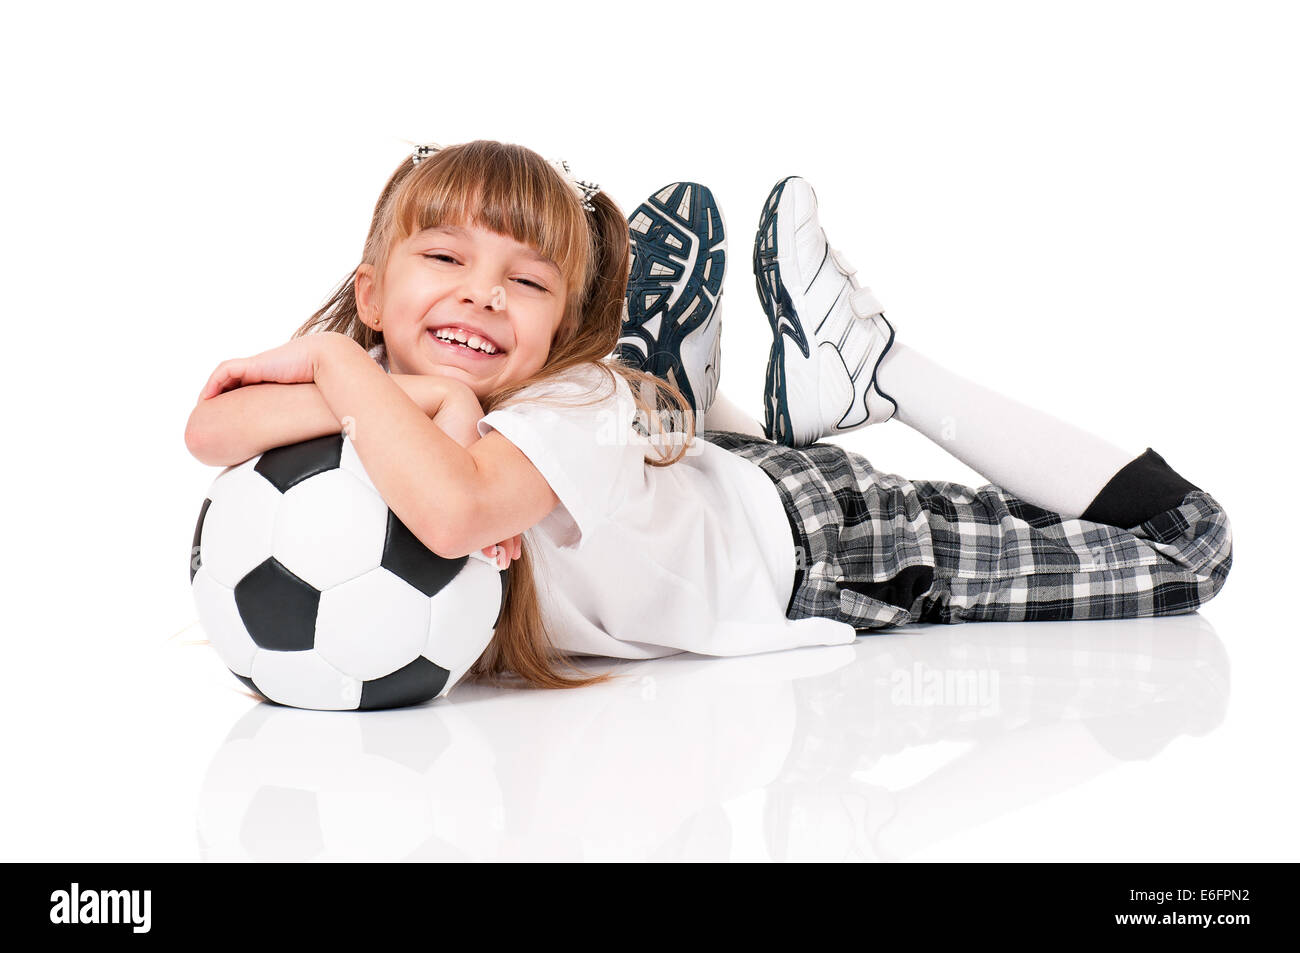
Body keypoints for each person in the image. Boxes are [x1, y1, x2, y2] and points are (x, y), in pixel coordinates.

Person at [185, 140, 1233, 693]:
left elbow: (456, 515)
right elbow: (210, 431)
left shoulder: (566, 398)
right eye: (446, 259)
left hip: (820, 539)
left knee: (1188, 548)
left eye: (527, 281)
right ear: (373, 292)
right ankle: (676, 396)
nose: (482, 294)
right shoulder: (389, 388)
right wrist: (430, 394)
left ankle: (872, 369)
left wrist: (329, 359)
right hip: (682, 493)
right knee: (638, 430)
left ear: (559, 334)